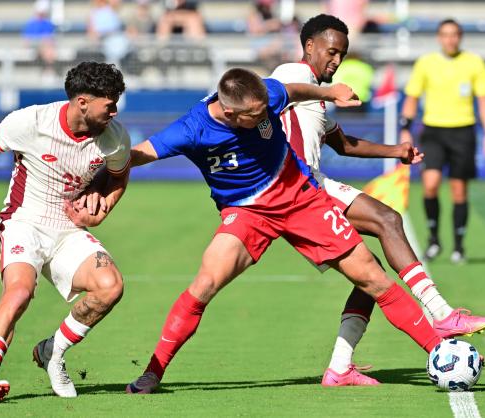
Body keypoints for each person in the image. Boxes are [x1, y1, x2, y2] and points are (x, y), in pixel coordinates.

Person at [119, 68, 447, 394]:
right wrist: (103, 168)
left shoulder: (267, 95)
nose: (265, 116)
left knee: (372, 277)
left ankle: (441, 352)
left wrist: (330, 93)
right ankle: (152, 372)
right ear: (230, 113)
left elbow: (292, 91)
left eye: (265, 108)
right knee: (205, 282)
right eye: (255, 114)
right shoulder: (191, 129)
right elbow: (139, 154)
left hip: (300, 197)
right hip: (247, 212)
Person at [269, 14, 485, 385]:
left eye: (341, 54)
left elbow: (342, 144)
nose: (336, 61)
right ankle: (440, 312)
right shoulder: (290, 73)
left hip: (315, 184)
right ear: (309, 46)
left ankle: (340, 367)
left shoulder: (315, 93)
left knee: (371, 272)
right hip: (297, 190)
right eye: (331, 52)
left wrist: (397, 151)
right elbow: (272, 94)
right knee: (387, 220)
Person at [0, 62, 132, 403]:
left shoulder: (114, 137)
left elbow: (118, 178)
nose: (115, 109)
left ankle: (52, 353)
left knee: (110, 286)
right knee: (19, 292)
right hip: (23, 222)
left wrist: (104, 207)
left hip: (69, 229)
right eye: (110, 102)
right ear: (83, 101)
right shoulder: (31, 122)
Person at [399, 18, 485, 264]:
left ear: (460, 36)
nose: (450, 39)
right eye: (445, 34)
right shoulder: (426, 63)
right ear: (439, 37)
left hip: (463, 131)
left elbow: (484, 100)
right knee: (430, 184)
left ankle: (459, 245)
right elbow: (412, 97)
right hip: (433, 130)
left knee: (459, 190)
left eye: (454, 34)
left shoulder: (474, 63)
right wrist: (406, 128)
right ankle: (433, 239)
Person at [22, 0, 57, 76]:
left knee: (48, 48)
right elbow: (26, 41)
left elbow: (50, 38)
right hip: (35, 45)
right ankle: (49, 69)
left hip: (45, 46)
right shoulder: (31, 23)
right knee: (47, 47)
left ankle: (48, 69)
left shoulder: (47, 23)